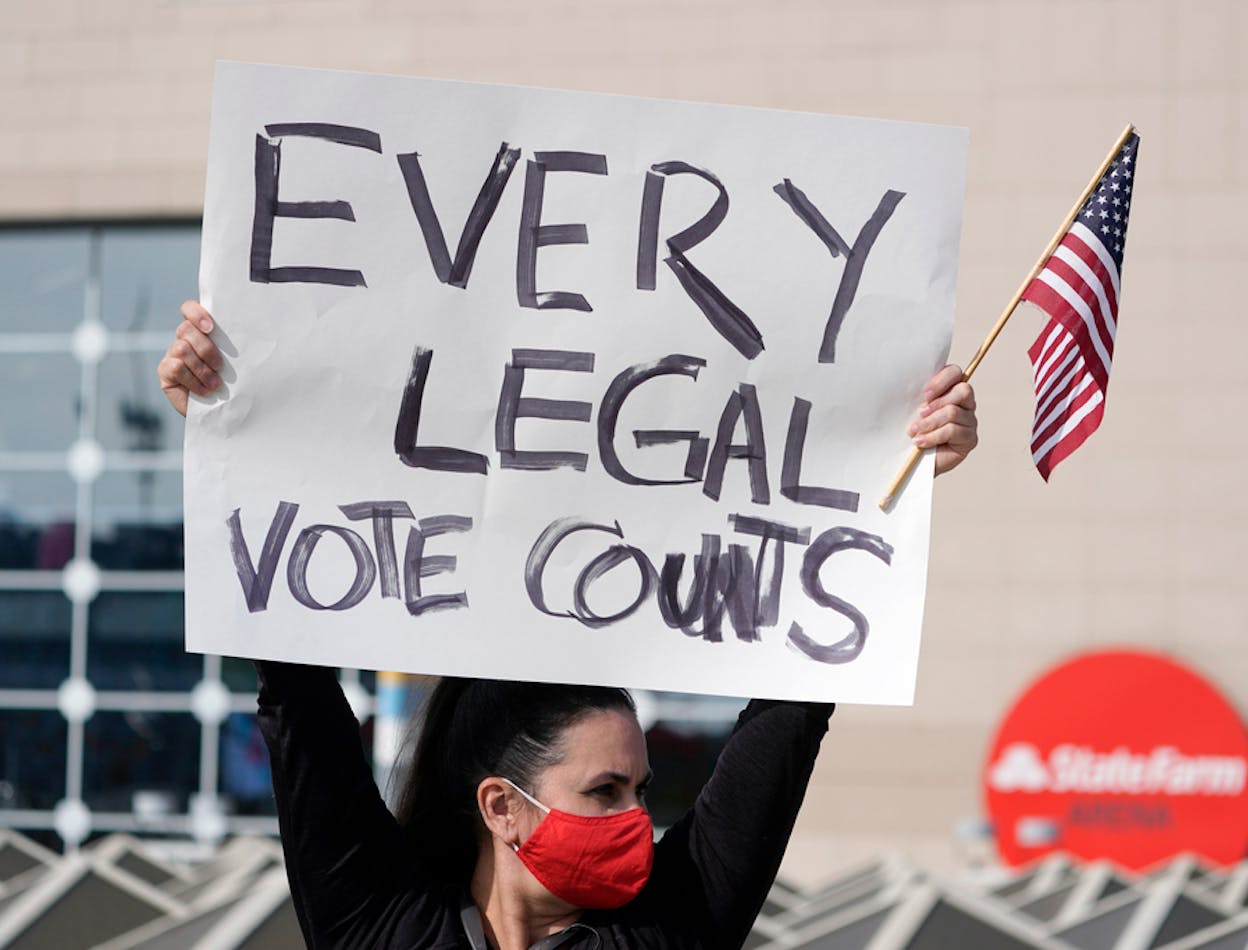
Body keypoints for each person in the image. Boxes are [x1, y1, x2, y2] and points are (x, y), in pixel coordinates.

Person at [159, 301, 979, 949]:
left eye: (638, 791)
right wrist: (227, 418)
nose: (636, 819)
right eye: (606, 791)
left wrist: (893, 473)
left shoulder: (667, 929)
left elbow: (795, 700)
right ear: (500, 807)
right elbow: (295, 692)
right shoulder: (381, 928)